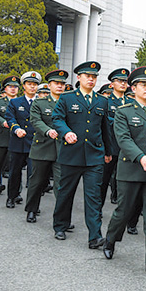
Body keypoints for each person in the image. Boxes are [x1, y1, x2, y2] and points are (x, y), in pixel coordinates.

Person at [103, 68, 146, 275]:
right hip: (131, 169)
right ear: (133, 88)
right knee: (124, 211)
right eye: (144, 85)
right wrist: (141, 157)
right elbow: (123, 139)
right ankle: (110, 240)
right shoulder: (124, 112)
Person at [51, 61, 113, 249]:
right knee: (66, 192)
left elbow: (105, 128)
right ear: (79, 78)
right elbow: (57, 118)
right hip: (72, 154)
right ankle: (60, 225)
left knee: (93, 196)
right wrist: (65, 132)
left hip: (94, 156)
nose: (91, 79)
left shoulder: (102, 100)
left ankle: (95, 236)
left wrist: (108, 151)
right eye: (88, 76)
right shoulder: (67, 98)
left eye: (94, 77)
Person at [24, 69, 67, 223]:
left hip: (63, 149)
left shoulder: (68, 103)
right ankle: (31, 210)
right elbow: (35, 121)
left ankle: (62, 218)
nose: (60, 86)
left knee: (62, 184)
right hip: (42, 148)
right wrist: (48, 131)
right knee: (37, 182)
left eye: (62, 84)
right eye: (56, 83)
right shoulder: (39, 103)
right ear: (49, 85)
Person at [5, 72, 40, 209]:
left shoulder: (41, 102)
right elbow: (10, 118)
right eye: (29, 84)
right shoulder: (15, 102)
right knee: (15, 172)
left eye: (35, 84)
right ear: (24, 86)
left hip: (35, 144)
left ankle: (32, 205)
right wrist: (16, 128)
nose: (32, 87)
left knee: (34, 175)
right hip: (18, 142)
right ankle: (12, 197)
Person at [101, 68, 131, 209]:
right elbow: (105, 122)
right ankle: (98, 209)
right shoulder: (106, 101)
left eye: (125, 81)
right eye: (119, 81)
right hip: (111, 146)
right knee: (103, 180)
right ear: (112, 84)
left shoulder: (131, 102)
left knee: (124, 183)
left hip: (126, 149)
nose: (123, 84)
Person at [0, 76, 19, 198]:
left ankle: (15, 192)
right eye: (10, 87)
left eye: (15, 87)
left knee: (16, 166)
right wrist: (3, 122)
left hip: (17, 138)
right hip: (2, 137)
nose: (13, 89)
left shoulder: (21, 102)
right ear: (5, 89)